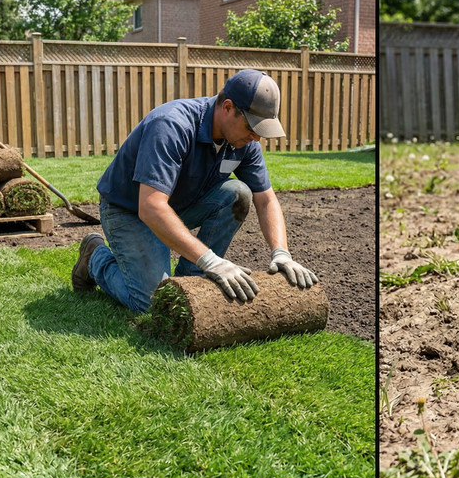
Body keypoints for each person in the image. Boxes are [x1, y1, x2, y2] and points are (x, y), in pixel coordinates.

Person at [71, 68, 317, 312]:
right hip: (130, 211)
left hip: (175, 207)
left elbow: (265, 200)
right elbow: (151, 206)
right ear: (228, 108)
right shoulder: (171, 125)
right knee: (154, 304)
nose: (256, 138)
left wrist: (281, 253)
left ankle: (192, 277)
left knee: (238, 193)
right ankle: (95, 257)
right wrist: (211, 259)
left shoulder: (243, 141)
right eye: (252, 127)